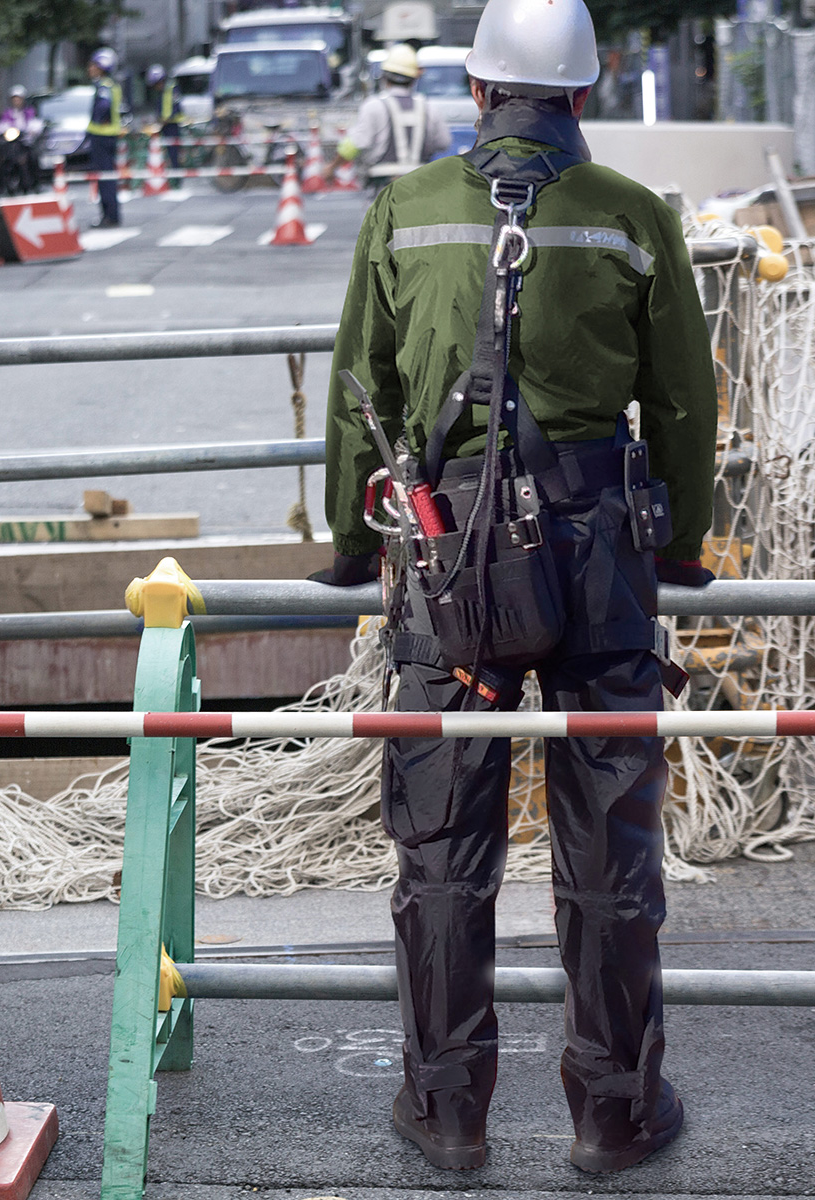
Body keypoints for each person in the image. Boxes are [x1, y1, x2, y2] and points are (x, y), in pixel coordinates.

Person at [314, 0, 718, 1176]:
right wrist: (682, 542)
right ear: (583, 94)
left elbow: (360, 385)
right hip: (598, 560)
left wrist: (352, 538)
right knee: (610, 847)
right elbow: (685, 402)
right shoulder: (633, 219)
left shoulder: (407, 211)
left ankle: (447, 1114)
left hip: (450, 564)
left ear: (480, 91)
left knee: (441, 844)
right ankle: (614, 1114)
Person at [326, 44, 450, 186]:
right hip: (420, 183)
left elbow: (356, 143)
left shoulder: (373, 106)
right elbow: (443, 142)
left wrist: (332, 167)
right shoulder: (429, 107)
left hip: (382, 183)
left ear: (384, 76)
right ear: (415, 78)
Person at [87, 46, 125, 228]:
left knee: (105, 178)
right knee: (108, 176)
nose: (90, 68)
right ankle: (112, 214)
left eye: (93, 65)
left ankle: (109, 216)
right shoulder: (112, 85)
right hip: (110, 136)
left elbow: (104, 107)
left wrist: (97, 120)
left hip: (101, 137)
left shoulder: (103, 86)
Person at [0, 85, 41, 195]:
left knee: (33, 158)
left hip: (24, 143)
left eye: (18, 99)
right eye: (14, 99)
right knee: (1, 159)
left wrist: (32, 131)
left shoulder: (29, 112)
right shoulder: (7, 113)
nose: (16, 101)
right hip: (10, 144)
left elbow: (35, 124)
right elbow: (0, 126)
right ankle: (0, 187)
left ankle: (36, 183)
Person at [145, 63, 181, 173]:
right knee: (166, 151)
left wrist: (163, 122)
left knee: (173, 152)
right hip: (165, 125)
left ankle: (176, 176)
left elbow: (175, 108)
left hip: (172, 125)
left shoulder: (172, 88)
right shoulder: (161, 92)